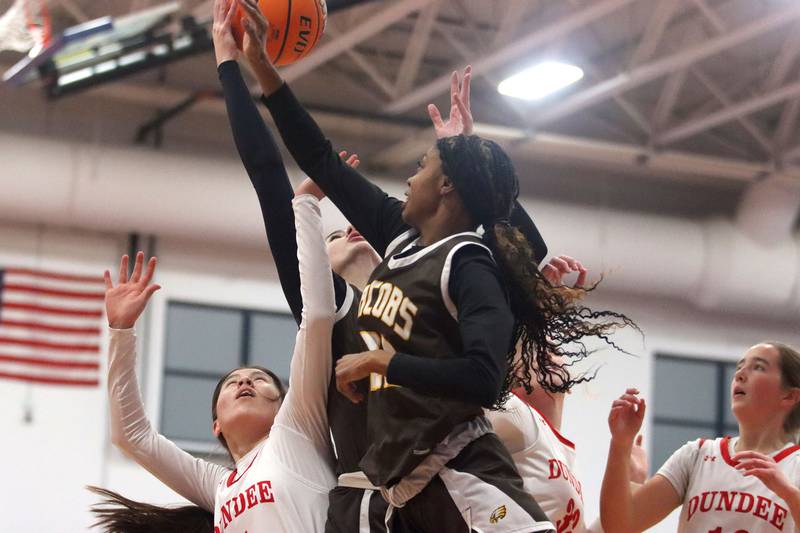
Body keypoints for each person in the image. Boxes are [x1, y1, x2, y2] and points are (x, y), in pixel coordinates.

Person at [234, 1, 635, 531]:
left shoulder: (470, 265)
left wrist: (382, 364)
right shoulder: (399, 238)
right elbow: (320, 157)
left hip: (466, 476)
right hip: (397, 496)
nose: (409, 178)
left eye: (423, 165)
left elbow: (483, 377)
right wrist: (262, 66)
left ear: (447, 186)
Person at [210, 0, 388, 529]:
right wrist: (228, 64)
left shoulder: (417, 289)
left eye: (353, 226)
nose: (348, 228)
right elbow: (269, 181)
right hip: (372, 507)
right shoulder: (328, 321)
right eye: (331, 233)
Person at [99, 190, 339, 532]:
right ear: (216, 425)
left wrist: (306, 205)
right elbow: (131, 435)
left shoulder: (296, 430)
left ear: (284, 402)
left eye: (259, 379)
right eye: (232, 382)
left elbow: (316, 317)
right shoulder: (217, 486)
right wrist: (120, 330)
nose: (244, 382)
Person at [488, 255, 648, 533]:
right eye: (538, 350)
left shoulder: (563, 453)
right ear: (513, 380)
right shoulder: (514, 419)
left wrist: (629, 475)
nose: (549, 347)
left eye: (551, 347)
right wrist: (535, 306)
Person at [600, 342, 800, 533]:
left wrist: (789, 494)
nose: (740, 374)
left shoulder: (795, 465)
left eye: (758, 367)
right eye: (740, 367)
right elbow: (620, 525)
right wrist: (620, 444)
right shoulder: (697, 454)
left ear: (789, 396)